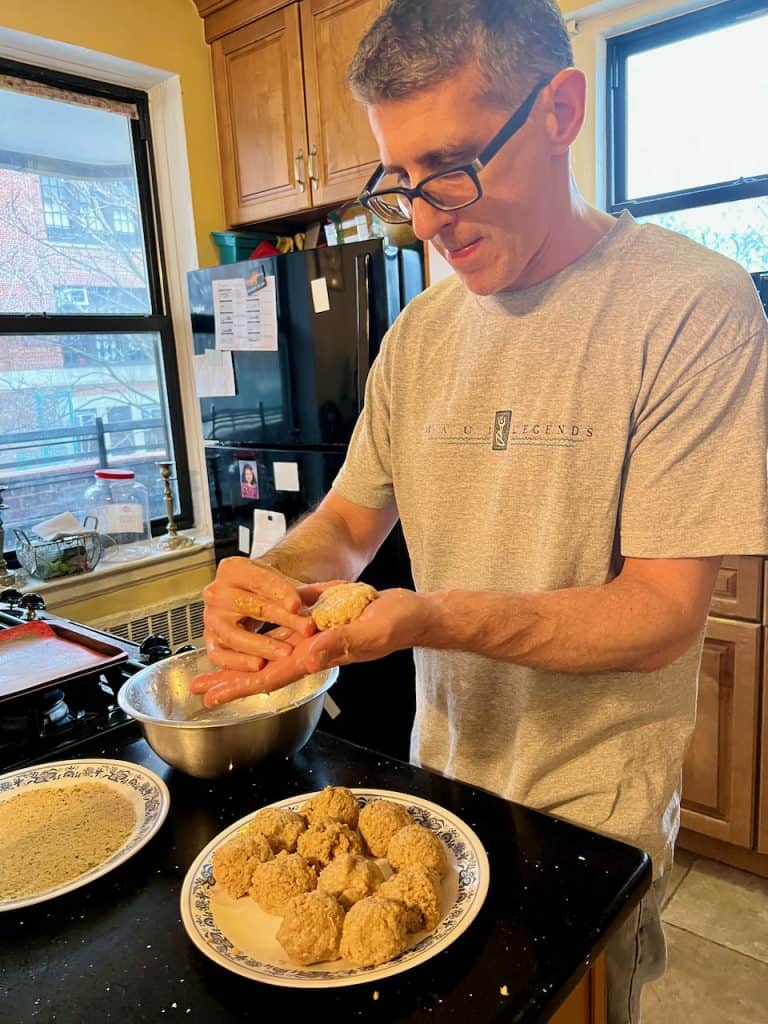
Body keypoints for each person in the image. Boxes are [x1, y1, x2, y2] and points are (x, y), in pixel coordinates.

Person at [194, 2, 768, 1019]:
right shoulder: (419, 334)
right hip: (434, 796)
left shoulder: (694, 308)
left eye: (452, 166)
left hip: (593, 827)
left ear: (562, 111)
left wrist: (430, 614)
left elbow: (660, 615)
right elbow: (346, 523)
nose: (426, 217)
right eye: (400, 182)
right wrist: (270, 578)